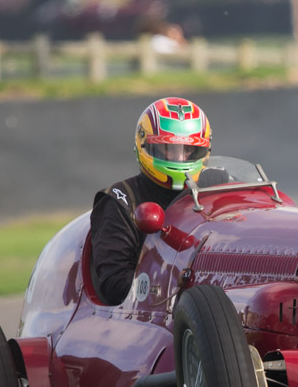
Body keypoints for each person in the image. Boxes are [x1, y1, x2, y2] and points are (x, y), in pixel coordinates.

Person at [90, 96, 212, 305]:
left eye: (188, 150)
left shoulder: (212, 190)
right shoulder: (121, 199)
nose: (179, 158)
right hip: (142, 317)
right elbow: (114, 286)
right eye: (168, 149)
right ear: (145, 146)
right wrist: (179, 284)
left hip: (206, 307)